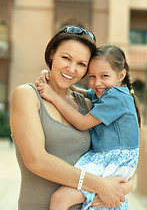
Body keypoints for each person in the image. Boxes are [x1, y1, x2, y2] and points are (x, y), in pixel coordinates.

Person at [10, 25, 133, 210]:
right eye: (66, 58)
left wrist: (123, 187)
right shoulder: (28, 95)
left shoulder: (88, 104)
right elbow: (36, 160)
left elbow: (120, 154)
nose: (71, 68)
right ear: (52, 54)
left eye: (82, 64)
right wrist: (99, 185)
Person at [36, 44, 140, 210]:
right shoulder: (105, 91)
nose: (97, 82)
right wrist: (50, 76)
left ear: (121, 75)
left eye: (104, 75)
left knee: (60, 199)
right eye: (92, 76)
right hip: (109, 158)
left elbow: (82, 123)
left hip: (112, 160)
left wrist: (53, 96)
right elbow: (78, 90)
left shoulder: (115, 97)